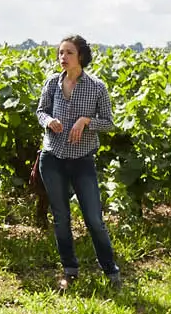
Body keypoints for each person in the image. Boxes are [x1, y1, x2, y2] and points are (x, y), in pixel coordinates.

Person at [35, 34, 123, 291]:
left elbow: (109, 123)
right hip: (52, 158)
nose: (63, 57)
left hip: (82, 160)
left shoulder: (97, 87)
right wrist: (49, 121)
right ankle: (70, 271)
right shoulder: (52, 83)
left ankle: (111, 271)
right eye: (61, 52)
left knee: (94, 219)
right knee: (61, 218)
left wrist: (86, 121)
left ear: (81, 56)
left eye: (69, 53)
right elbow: (40, 111)